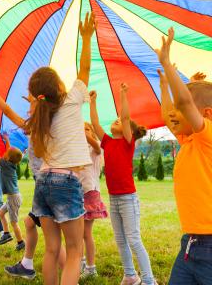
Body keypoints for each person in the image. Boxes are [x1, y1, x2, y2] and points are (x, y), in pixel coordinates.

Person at [24, 12, 96, 285]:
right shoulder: (73, 100)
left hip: (43, 181)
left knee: (52, 250)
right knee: (75, 250)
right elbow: (85, 69)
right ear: (59, 87)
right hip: (66, 182)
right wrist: (86, 38)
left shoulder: (41, 116)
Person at [0, 78, 66, 279]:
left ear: (39, 106)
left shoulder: (38, 125)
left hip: (47, 185)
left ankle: (69, 272)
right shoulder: (49, 123)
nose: (27, 110)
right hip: (48, 184)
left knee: (53, 241)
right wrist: (34, 101)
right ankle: (27, 265)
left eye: (30, 105)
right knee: (30, 224)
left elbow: (8, 111)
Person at [156, 27, 212, 285]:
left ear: (206, 114)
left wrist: (168, 65)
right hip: (190, 245)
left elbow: (185, 105)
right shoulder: (188, 139)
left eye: (183, 110)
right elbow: (170, 113)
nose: (176, 115)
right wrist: (165, 84)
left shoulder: (207, 136)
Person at [90, 84, 156, 285]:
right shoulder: (108, 142)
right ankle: (130, 275)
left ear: (130, 132)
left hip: (128, 199)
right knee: (120, 240)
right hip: (114, 199)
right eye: (116, 120)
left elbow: (126, 118)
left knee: (134, 239)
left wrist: (123, 95)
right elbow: (95, 124)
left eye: (119, 121)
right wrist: (93, 102)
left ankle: (149, 280)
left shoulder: (128, 142)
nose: (117, 121)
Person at [0, 134, 25, 251]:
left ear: (7, 158)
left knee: (14, 222)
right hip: (12, 197)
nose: (4, 153)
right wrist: (7, 140)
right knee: (1, 213)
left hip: (13, 198)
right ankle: (6, 234)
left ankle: (21, 242)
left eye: (6, 153)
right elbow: (9, 152)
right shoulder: (11, 163)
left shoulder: (5, 164)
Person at [79, 122, 107, 278]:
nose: (84, 132)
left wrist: (81, 132)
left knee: (86, 233)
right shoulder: (76, 151)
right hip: (76, 194)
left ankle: (91, 268)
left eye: (87, 129)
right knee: (77, 233)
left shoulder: (96, 149)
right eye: (81, 129)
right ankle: (81, 262)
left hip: (90, 193)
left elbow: (94, 144)